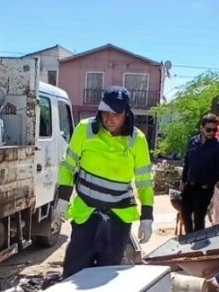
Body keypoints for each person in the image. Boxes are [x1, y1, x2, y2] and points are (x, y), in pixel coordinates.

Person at [53, 86, 155, 279]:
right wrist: (63, 200)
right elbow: (67, 166)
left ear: (126, 112)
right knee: (74, 272)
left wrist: (147, 218)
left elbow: (144, 182)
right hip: (86, 214)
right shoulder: (85, 130)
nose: (109, 119)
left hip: (118, 219)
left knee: (106, 275)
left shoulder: (137, 140)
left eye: (115, 113)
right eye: (105, 112)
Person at [180, 113, 219, 234]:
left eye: (214, 130)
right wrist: (183, 181)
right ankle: (188, 239)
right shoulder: (193, 141)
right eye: (209, 129)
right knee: (185, 214)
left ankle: (198, 243)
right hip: (189, 185)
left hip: (203, 189)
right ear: (201, 128)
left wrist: (208, 184)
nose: (212, 132)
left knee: (198, 218)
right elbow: (187, 162)